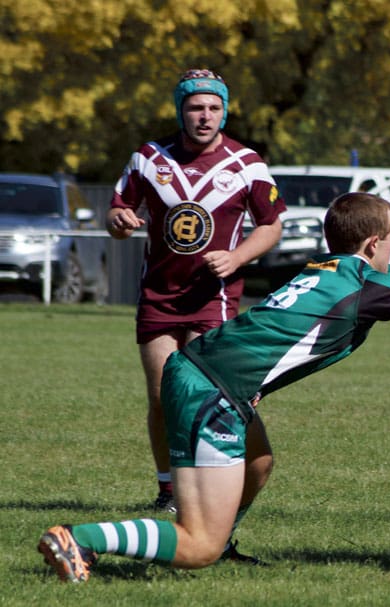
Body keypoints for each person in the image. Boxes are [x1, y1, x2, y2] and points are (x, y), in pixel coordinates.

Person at [37, 192, 390, 583]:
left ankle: (215, 537)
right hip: (214, 391)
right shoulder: (365, 286)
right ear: (371, 244)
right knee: (197, 545)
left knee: (260, 462)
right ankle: (81, 539)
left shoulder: (336, 268)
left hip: (204, 371)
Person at [107, 69, 285, 519]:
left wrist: (237, 257)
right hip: (159, 295)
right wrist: (120, 221)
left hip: (215, 298)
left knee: (206, 396)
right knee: (161, 396)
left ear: (224, 111)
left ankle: (213, 486)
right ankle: (168, 489)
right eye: (195, 107)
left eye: (213, 108)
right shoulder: (149, 159)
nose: (204, 116)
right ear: (180, 110)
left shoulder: (246, 163)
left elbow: (272, 225)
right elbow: (118, 210)